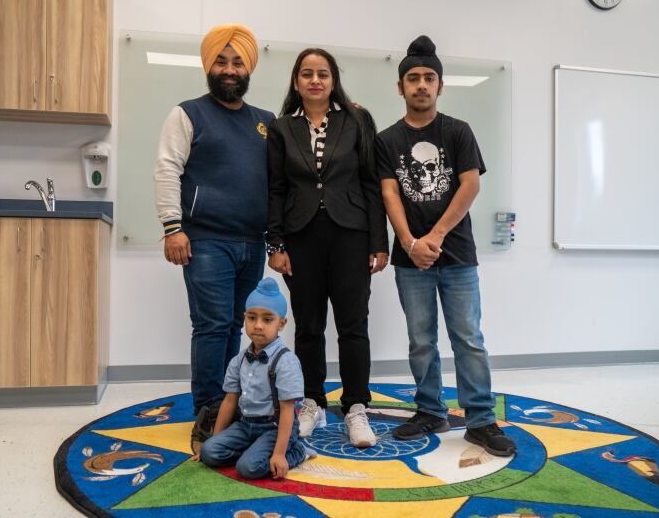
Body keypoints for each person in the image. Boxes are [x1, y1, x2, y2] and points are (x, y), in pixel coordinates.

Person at [375, 35, 516, 456]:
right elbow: (389, 193)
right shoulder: (386, 140)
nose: (421, 84)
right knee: (420, 340)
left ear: (440, 86)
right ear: (400, 87)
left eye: (429, 78)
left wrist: (432, 238)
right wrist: (408, 242)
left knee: (468, 338)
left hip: (456, 256)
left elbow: (470, 185)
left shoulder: (458, 131)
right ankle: (430, 410)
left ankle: (480, 420)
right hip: (409, 259)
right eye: (413, 78)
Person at [153, 24, 275, 455]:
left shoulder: (267, 122)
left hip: (252, 243)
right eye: (221, 61)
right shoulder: (187, 113)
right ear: (209, 66)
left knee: (238, 330)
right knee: (211, 326)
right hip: (204, 241)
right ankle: (207, 413)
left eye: (237, 62)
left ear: (248, 68)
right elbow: (167, 169)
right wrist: (173, 227)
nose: (228, 69)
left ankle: (229, 404)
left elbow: (281, 182)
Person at [266, 48, 389, 448]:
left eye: (322, 73)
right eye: (307, 74)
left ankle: (355, 407)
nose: (315, 80)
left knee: (354, 325)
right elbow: (276, 189)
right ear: (296, 81)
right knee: (309, 326)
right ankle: (312, 402)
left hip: (351, 235)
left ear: (333, 79)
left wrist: (378, 241)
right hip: (301, 238)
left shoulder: (356, 119)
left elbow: (372, 183)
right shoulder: (282, 128)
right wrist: (276, 243)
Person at [196, 278, 312, 479]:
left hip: (274, 427)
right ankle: (253, 450)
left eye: (267, 320)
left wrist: (278, 454)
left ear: (281, 323)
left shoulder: (286, 361)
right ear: (244, 318)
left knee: (248, 468)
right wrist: (216, 440)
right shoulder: (239, 360)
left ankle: (297, 452)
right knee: (208, 452)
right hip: (245, 424)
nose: (258, 325)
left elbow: (287, 411)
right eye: (252, 318)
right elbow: (230, 401)